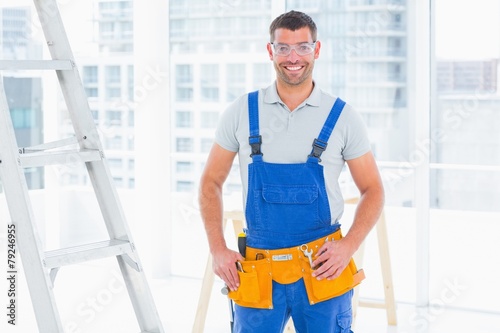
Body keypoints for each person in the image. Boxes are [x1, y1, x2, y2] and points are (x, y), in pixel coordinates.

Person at [199, 10, 384, 333]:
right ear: (270, 51)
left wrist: (349, 246)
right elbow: (210, 182)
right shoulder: (242, 111)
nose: (293, 57)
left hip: (323, 268)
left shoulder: (342, 116)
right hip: (258, 270)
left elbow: (374, 189)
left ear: (317, 49)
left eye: (302, 46)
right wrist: (217, 247)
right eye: (283, 48)